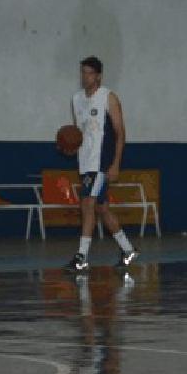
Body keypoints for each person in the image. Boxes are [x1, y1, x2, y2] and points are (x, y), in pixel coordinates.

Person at [63, 56, 138, 273]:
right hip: (84, 162)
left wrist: (115, 164)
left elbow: (120, 133)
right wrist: (69, 146)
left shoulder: (108, 97)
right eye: (82, 72)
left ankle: (81, 257)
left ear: (98, 76)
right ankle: (128, 249)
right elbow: (79, 134)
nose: (84, 76)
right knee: (102, 208)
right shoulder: (76, 99)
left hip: (101, 162)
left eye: (89, 72)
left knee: (87, 205)